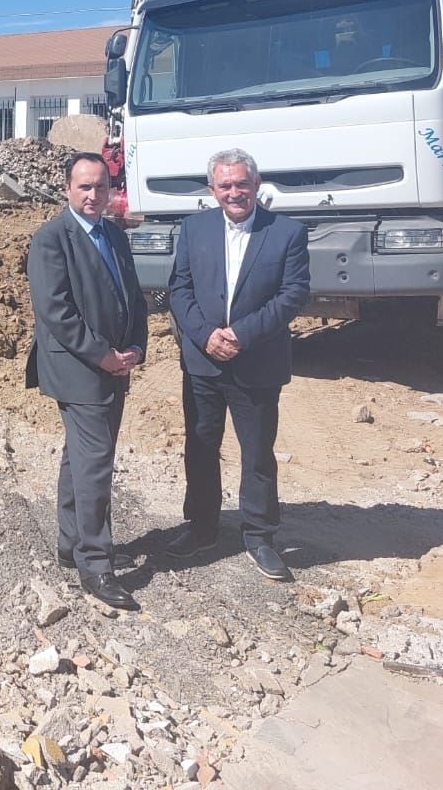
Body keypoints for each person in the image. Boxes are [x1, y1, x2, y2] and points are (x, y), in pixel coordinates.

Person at [165, 149, 309, 581]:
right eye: (225, 185)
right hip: (203, 364)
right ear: (213, 190)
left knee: (258, 453)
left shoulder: (286, 233)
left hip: (257, 362)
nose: (234, 192)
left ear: (257, 184)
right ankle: (203, 527)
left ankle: (260, 536)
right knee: (201, 447)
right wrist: (206, 336)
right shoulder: (194, 229)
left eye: (241, 184)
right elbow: (179, 289)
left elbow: (293, 295)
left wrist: (242, 334)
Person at [26, 151, 149, 610]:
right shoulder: (51, 240)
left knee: (80, 456)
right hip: (80, 370)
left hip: (115, 364)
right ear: (67, 189)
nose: (94, 195)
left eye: (101, 186)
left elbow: (133, 298)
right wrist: (103, 356)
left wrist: (136, 347)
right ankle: (96, 564)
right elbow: (55, 311)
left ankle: (69, 540)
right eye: (84, 187)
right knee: (96, 461)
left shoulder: (115, 236)